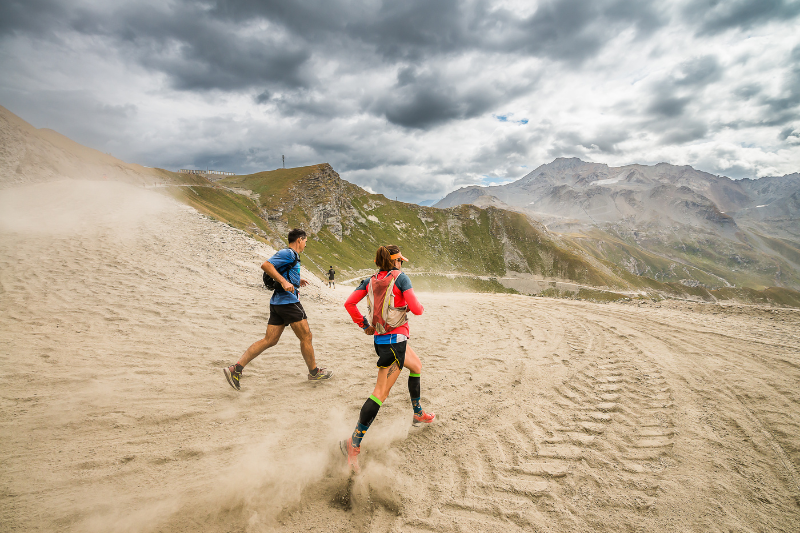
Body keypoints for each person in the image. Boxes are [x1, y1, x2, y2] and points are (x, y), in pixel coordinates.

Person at [339, 245, 435, 472]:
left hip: (384, 339)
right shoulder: (401, 279)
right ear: (396, 261)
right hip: (395, 345)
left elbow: (349, 304)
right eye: (401, 260)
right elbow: (417, 310)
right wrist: (418, 306)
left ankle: (418, 413)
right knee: (379, 394)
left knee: (416, 366)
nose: (402, 264)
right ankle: (353, 443)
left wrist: (364, 325)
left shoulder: (370, 280)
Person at [224, 228, 333, 390]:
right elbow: (266, 265)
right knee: (306, 336)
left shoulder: (293, 256)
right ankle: (314, 372)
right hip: (288, 303)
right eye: (305, 241)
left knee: (270, 340)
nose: (305, 245)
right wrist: (284, 282)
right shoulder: (288, 253)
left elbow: (284, 271)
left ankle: (236, 369)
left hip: (278, 303)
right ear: (299, 240)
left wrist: (296, 280)